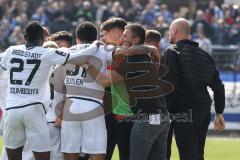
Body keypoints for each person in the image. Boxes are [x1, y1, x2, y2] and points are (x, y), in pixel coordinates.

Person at [0, 21, 100, 160]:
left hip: (11, 110)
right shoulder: (46, 53)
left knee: (13, 155)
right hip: (33, 109)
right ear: (42, 38)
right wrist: (95, 45)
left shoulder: (11, 51)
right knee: (42, 155)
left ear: (24, 37)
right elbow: (78, 57)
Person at [87, 23, 172, 160]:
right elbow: (153, 54)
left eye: (125, 36)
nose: (122, 38)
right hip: (162, 118)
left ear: (136, 40)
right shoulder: (148, 57)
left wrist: (87, 64)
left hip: (146, 118)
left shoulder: (130, 61)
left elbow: (104, 81)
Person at [162, 18, 225, 160]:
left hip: (184, 113)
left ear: (175, 31)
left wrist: (165, 113)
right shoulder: (204, 55)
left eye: (170, 30)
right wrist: (219, 113)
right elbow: (219, 86)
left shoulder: (172, 52)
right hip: (203, 113)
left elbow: (169, 86)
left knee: (188, 155)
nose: (168, 34)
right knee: (197, 154)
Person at [99, 18, 133, 160]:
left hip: (126, 114)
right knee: (103, 153)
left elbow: (106, 81)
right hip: (109, 112)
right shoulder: (108, 54)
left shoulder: (127, 54)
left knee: (126, 154)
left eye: (104, 35)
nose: (102, 39)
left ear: (118, 33)